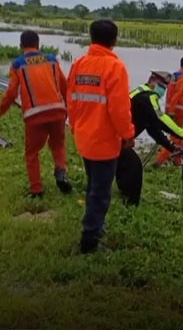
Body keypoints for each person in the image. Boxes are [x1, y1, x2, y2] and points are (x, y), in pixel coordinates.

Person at [66, 19, 135, 254]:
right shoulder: (115, 68)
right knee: (101, 193)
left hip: (84, 138)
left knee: (93, 186)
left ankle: (94, 226)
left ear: (91, 37)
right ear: (114, 40)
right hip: (104, 142)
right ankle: (90, 239)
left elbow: (71, 100)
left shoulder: (79, 64)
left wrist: (75, 127)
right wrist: (128, 134)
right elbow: (120, 109)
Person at [0, 30, 73, 198]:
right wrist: (67, 109)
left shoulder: (18, 64)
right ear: (38, 45)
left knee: (32, 153)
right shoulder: (52, 60)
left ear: (21, 45)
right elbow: (65, 86)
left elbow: (11, 92)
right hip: (58, 111)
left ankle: (37, 189)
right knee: (58, 146)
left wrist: (1, 111)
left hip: (35, 115)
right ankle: (61, 171)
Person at [117, 70, 183, 206]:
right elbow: (161, 120)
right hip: (116, 140)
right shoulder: (148, 97)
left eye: (165, 87)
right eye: (161, 86)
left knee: (124, 166)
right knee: (134, 168)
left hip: (117, 139)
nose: (163, 90)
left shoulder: (139, 93)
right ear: (152, 82)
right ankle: (130, 205)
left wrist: (171, 147)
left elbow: (153, 128)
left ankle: (122, 196)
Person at [155, 56, 183, 167]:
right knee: (176, 137)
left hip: (170, 110)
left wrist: (168, 111)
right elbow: (177, 94)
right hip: (178, 112)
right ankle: (159, 161)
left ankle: (177, 161)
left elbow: (169, 94)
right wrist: (172, 111)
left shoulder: (173, 76)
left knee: (178, 136)